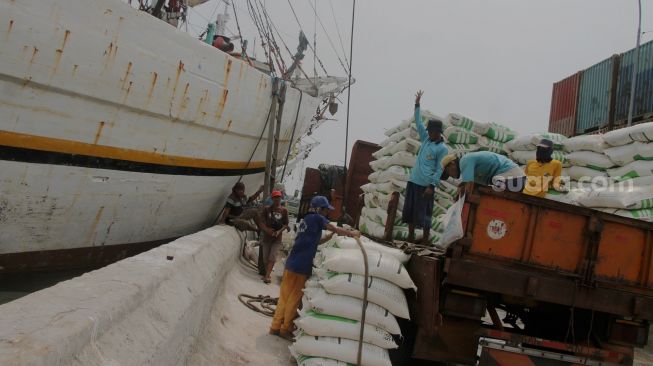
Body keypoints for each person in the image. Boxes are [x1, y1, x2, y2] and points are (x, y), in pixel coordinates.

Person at [269, 195, 360, 341]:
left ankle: (274, 327)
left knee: (284, 298)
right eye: (325, 210)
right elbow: (334, 227)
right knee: (294, 299)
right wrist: (351, 233)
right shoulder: (317, 218)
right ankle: (285, 329)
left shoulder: (306, 220)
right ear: (319, 209)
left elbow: (314, 242)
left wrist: (329, 237)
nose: (327, 213)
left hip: (291, 264)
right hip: (301, 267)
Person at [401, 90, 449, 244]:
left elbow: (440, 168)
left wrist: (432, 185)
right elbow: (418, 121)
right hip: (414, 181)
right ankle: (410, 236)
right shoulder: (426, 140)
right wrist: (417, 104)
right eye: (428, 131)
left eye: (431, 131)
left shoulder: (442, 149)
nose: (428, 133)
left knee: (425, 213)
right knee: (411, 210)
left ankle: (426, 238)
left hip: (426, 185)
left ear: (437, 132)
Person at [441, 151, 526, 197]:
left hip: (511, 177)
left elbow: (467, 186)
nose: (451, 176)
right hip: (518, 180)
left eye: (448, 172)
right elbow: (476, 189)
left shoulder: (465, 160)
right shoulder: (472, 172)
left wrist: (458, 196)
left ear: (452, 163)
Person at [259, 190, 289, 284]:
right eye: (275, 198)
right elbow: (261, 222)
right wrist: (267, 230)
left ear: (281, 198)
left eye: (279, 198)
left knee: (272, 256)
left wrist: (279, 231)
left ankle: (267, 276)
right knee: (265, 258)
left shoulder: (284, 210)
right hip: (267, 238)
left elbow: (286, 224)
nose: (277, 199)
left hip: (277, 238)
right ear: (272, 198)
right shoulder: (267, 209)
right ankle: (267, 273)